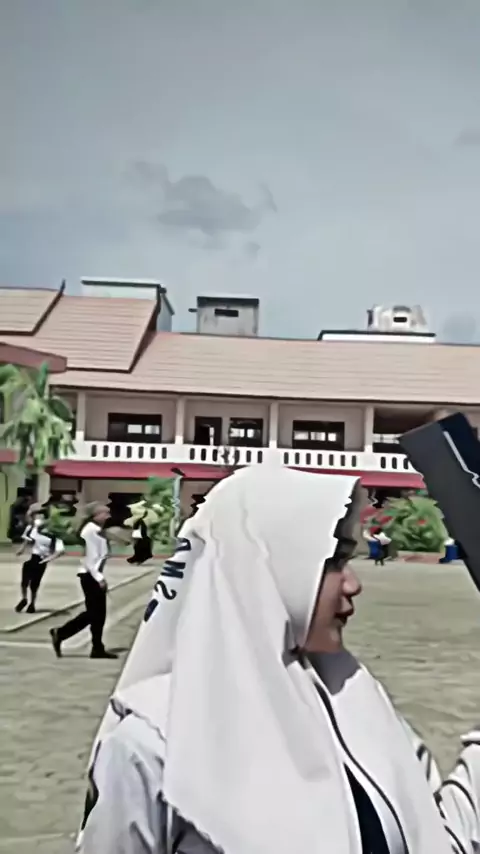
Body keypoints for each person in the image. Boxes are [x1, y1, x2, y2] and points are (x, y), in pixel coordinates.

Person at [76, 467, 480, 854]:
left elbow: (439, 840)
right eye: (334, 561)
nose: (354, 584)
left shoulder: (358, 703)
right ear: (267, 570)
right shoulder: (153, 743)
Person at [50, 502, 117, 660]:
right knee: (95, 614)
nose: (108, 516)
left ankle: (96, 647)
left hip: (91, 575)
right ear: (96, 515)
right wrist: (99, 578)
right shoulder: (91, 531)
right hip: (90, 576)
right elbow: (89, 558)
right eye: (105, 513)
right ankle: (61, 633)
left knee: (96, 614)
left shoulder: (96, 530)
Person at [15, 509, 65, 614]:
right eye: (37, 517)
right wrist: (22, 549)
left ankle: (32, 604)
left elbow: (60, 551)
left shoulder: (53, 534)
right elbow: (27, 538)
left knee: (34, 584)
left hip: (42, 560)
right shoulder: (33, 528)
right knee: (24, 581)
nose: (38, 520)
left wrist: (48, 559)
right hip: (33, 557)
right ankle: (24, 599)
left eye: (41, 518)